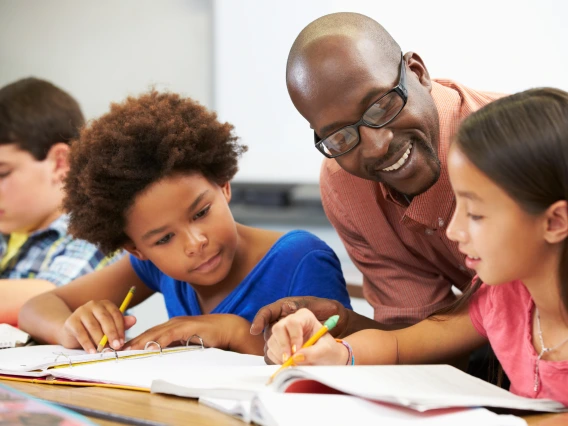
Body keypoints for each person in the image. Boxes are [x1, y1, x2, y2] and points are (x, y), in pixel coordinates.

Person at [266, 88, 568, 405]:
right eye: (458, 206)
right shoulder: (506, 298)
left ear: (555, 222)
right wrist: (338, 353)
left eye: (476, 214)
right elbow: (399, 345)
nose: (454, 231)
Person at [18, 90, 351, 356]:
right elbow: (37, 307)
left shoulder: (301, 259)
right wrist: (71, 327)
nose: (195, 243)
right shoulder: (152, 267)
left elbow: (336, 362)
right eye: (163, 239)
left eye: (201, 212)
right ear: (136, 248)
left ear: (224, 185)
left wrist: (232, 332)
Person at [251, 12, 503, 339]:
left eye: (382, 106)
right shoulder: (345, 187)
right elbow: (419, 339)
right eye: (340, 136)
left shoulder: (526, 144)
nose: (376, 146)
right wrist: (346, 326)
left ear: (418, 73)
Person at [0, 78, 119, 326]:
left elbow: (54, 299)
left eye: (3, 173)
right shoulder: (9, 229)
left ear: (59, 163)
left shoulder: (94, 231)